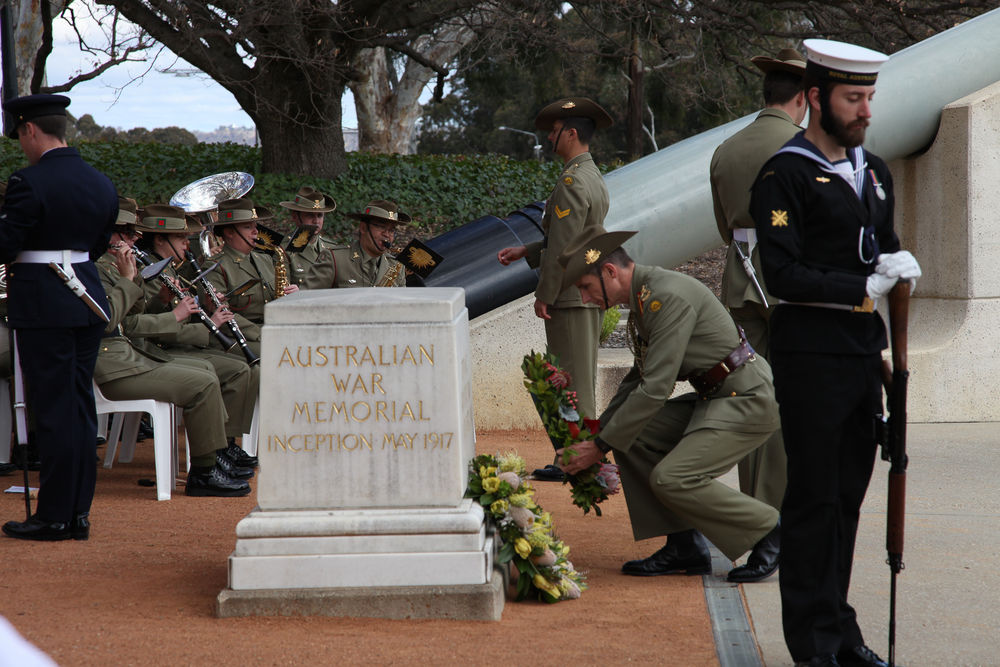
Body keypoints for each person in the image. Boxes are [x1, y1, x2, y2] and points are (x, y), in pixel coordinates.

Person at [751, 39, 921, 667]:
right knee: (814, 502)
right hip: (812, 357)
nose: (866, 110)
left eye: (870, 97)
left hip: (860, 355)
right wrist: (862, 287)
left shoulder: (873, 171)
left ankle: (838, 629)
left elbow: (881, 244)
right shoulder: (784, 174)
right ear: (816, 98)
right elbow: (781, 273)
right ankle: (813, 645)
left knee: (846, 501)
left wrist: (896, 265)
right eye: (854, 98)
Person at [555, 226, 781, 575]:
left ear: (610, 272)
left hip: (747, 399)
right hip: (717, 398)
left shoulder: (664, 297)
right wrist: (598, 435)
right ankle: (684, 546)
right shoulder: (645, 297)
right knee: (631, 436)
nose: (585, 298)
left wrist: (598, 447)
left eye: (585, 287)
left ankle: (770, 530)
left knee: (671, 478)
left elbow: (655, 389)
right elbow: (637, 379)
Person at [708, 48, 807, 583]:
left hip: (742, 280)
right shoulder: (806, 147)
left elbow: (726, 227)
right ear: (803, 99)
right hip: (793, 281)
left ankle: (759, 525)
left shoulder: (726, 150)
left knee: (749, 399)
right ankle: (788, 525)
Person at [0, 94, 118, 541]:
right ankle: (77, 513)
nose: (21, 144)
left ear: (30, 129)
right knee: (79, 408)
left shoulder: (28, 181)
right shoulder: (100, 182)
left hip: (44, 304)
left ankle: (53, 516)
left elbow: (6, 243)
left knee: (53, 411)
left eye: (20, 135)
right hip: (85, 298)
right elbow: (100, 243)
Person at [95, 203, 252, 496]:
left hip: (130, 355)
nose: (134, 238)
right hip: (113, 362)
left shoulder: (123, 265)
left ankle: (217, 453)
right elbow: (115, 322)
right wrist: (170, 311)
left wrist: (163, 300)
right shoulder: (99, 269)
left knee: (210, 371)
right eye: (126, 232)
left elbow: (135, 312)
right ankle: (205, 470)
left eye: (133, 232)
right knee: (205, 380)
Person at [497, 97, 611, 429]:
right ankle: (579, 450)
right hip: (585, 289)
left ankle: (579, 452)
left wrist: (545, 294)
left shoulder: (572, 181)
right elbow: (578, 236)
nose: (549, 136)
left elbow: (565, 243)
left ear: (571, 134)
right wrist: (527, 251)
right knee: (580, 380)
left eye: (555, 130)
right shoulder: (591, 175)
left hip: (569, 293)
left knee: (572, 385)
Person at [133, 202, 259, 468]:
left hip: (182, 343)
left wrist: (208, 308)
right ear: (160, 239)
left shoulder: (169, 269)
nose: (186, 242)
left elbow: (179, 314)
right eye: (180, 237)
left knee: (240, 368)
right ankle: (218, 450)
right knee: (237, 370)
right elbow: (152, 326)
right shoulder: (148, 271)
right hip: (159, 350)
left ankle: (226, 444)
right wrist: (208, 324)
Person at [204, 198, 299, 356]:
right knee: (284, 353)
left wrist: (292, 296)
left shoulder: (265, 259)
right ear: (229, 232)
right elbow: (223, 315)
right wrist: (263, 334)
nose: (256, 231)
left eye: (255, 226)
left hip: (272, 328)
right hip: (241, 336)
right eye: (248, 227)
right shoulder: (214, 267)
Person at [302, 200, 409, 288]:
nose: (387, 234)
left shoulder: (395, 265)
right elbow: (306, 299)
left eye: (391, 230)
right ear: (363, 228)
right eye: (381, 227)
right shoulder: (335, 259)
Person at [278, 186, 338, 286]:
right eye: (310, 215)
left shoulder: (332, 248)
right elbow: (282, 290)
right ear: (295, 217)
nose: (316, 221)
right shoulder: (283, 250)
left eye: (320, 215)